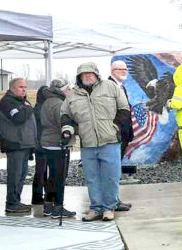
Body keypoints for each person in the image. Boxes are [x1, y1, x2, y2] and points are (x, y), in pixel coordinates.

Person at [60, 63, 129, 221]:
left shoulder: (110, 86)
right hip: (88, 143)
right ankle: (96, 208)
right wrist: (67, 128)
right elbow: (65, 114)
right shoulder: (73, 94)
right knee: (92, 177)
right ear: (79, 77)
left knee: (111, 176)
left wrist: (116, 127)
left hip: (110, 140)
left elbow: (124, 108)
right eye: (84, 74)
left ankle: (109, 208)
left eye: (90, 73)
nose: (88, 76)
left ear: (97, 74)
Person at [0, 78, 37, 215]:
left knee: (21, 175)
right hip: (14, 144)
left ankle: (16, 201)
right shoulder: (7, 102)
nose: (24, 89)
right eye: (21, 87)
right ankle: (11, 202)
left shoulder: (23, 102)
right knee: (14, 175)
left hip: (25, 144)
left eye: (25, 87)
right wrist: (27, 107)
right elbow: (19, 117)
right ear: (12, 88)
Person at [37, 78, 75, 219]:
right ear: (62, 90)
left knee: (52, 175)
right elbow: (63, 124)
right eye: (68, 88)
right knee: (59, 176)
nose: (70, 91)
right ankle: (58, 207)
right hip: (58, 143)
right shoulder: (59, 103)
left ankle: (48, 205)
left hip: (48, 141)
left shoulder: (47, 101)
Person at [109, 60, 135, 209]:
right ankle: (112, 201)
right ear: (113, 71)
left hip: (123, 134)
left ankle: (114, 199)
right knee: (112, 169)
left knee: (116, 167)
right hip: (115, 134)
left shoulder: (121, 87)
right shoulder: (109, 86)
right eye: (120, 69)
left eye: (125, 69)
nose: (124, 72)